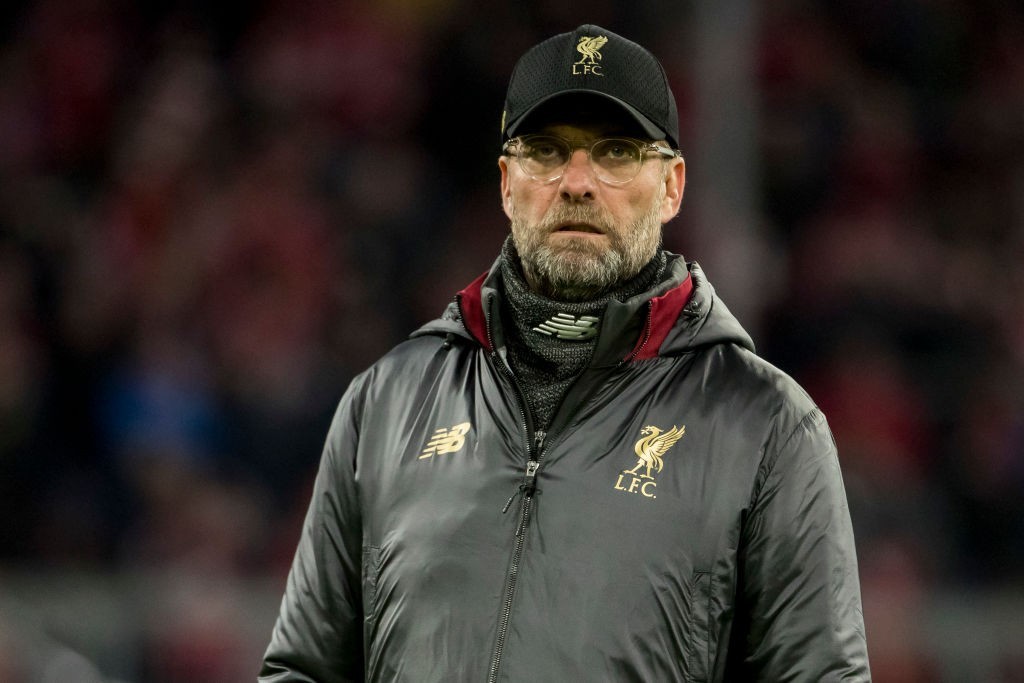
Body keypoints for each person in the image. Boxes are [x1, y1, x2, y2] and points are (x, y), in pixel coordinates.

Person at [259, 23, 870, 682]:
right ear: (506, 183)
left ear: (672, 186)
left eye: (616, 152)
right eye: (546, 151)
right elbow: (303, 670)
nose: (577, 182)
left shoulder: (767, 427)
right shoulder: (386, 404)